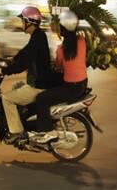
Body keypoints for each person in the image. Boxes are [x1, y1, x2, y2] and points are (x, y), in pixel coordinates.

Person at [0, 6, 61, 145]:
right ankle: (24, 121)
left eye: (23, 21)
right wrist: (12, 59)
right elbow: (25, 53)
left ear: (29, 21)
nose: (21, 24)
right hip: (39, 82)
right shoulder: (37, 36)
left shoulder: (38, 37)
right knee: (16, 86)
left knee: (6, 99)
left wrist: (5, 71)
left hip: (38, 85)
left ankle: (17, 133)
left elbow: (24, 63)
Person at [29, 10, 88, 144]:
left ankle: (47, 131)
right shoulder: (82, 41)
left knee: (41, 98)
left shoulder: (61, 49)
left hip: (72, 88)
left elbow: (58, 67)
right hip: (82, 85)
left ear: (62, 30)